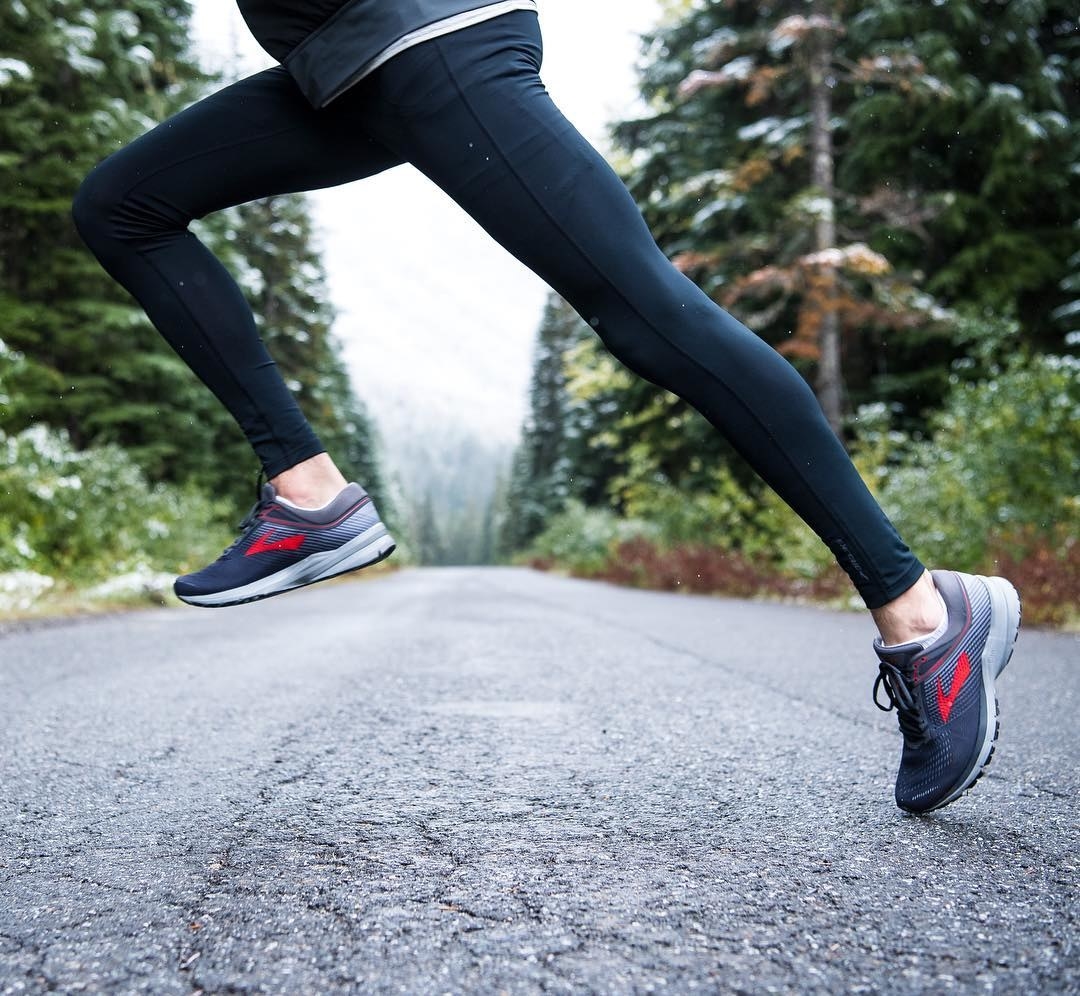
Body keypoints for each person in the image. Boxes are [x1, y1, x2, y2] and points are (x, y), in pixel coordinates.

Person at [71, 1, 1020, 814]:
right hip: (344, 67)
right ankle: (310, 495)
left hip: (427, 33)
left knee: (651, 317)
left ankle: (925, 617)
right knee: (122, 202)